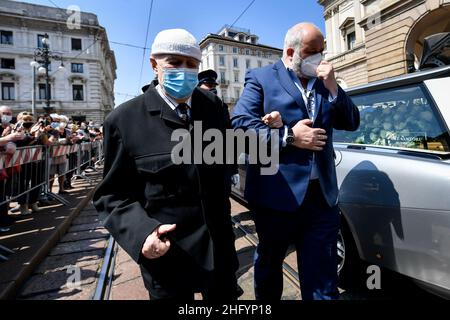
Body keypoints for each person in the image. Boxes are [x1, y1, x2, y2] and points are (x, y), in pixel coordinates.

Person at [93, 28, 239, 300]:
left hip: (219, 253)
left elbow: (225, 159)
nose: (184, 70)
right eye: (174, 63)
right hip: (168, 256)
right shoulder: (123, 120)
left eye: (191, 64)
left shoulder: (214, 107)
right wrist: (142, 234)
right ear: (154, 65)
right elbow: (111, 195)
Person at [231, 23, 360, 300]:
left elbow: (352, 121)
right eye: (312, 52)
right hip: (275, 196)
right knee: (269, 267)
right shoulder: (262, 77)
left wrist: (334, 86)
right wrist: (289, 136)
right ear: (291, 52)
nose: (320, 57)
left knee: (323, 278)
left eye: (322, 51)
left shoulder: (326, 82)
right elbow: (241, 126)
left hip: (320, 199)